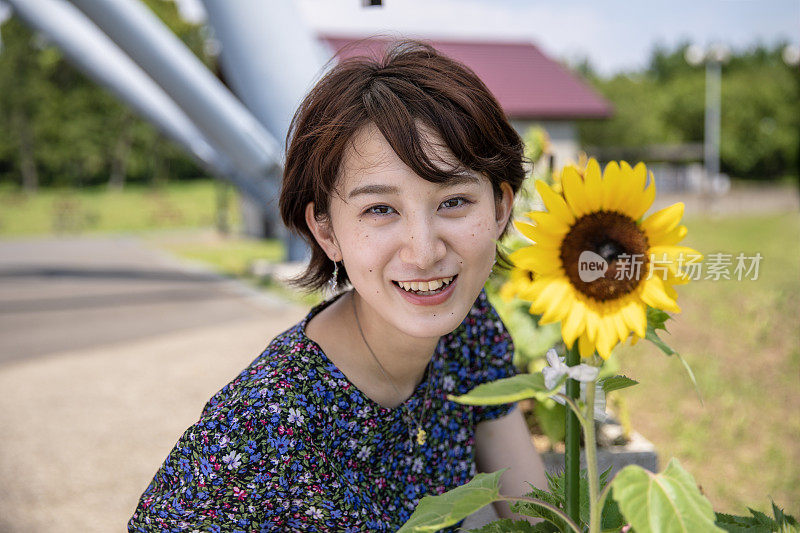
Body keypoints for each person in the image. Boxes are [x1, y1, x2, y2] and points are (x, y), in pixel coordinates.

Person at [128, 40, 546, 532]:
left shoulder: (469, 329)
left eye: (453, 201)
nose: (425, 250)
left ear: (500, 208)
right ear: (327, 231)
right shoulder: (265, 426)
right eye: (380, 209)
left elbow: (536, 517)